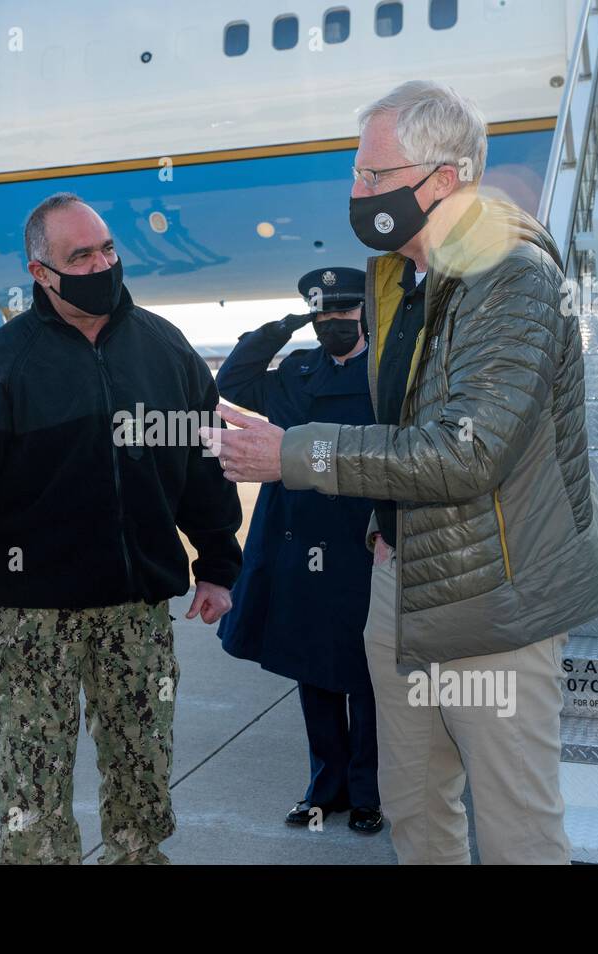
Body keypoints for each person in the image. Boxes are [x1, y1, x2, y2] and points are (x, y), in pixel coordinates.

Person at [203, 80, 598, 864]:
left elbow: (467, 449)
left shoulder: (510, 277)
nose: (357, 192)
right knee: (415, 810)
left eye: (374, 175)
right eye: (358, 174)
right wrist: (382, 525)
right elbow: (405, 424)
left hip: (493, 597)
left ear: (444, 179)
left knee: (516, 832)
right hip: (400, 585)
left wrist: (291, 453)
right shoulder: (403, 281)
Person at [0, 192, 242, 864]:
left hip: (138, 615)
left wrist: (217, 561)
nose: (101, 264)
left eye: (106, 249)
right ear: (40, 272)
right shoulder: (1, 367)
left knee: (143, 787)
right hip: (32, 622)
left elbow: (201, 465)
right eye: (80, 256)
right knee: (34, 803)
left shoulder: (165, 349)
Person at [215, 267, 382, 834]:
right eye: (325, 316)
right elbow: (234, 380)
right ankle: (322, 787)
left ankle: (366, 792)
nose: (337, 325)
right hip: (297, 533)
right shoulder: (297, 369)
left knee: (364, 671)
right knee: (312, 666)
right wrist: (284, 326)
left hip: (359, 535)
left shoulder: (384, 372)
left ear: (365, 312)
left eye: (345, 313)